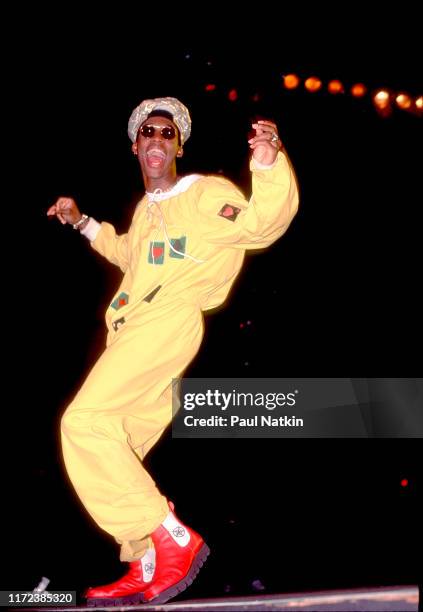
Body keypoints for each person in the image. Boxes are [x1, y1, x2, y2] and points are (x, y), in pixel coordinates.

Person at [47, 96, 299, 606]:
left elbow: (258, 224)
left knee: (84, 422)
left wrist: (268, 164)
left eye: (167, 133)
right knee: (121, 442)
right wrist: (81, 223)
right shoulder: (146, 212)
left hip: (167, 322)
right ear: (135, 145)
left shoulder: (202, 193)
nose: (157, 140)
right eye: (148, 132)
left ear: (177, 145)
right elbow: (127, 254)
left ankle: (172, 538)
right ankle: (144, 561)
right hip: (137, 329)